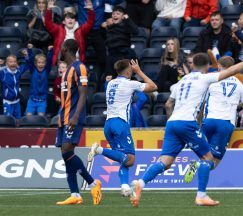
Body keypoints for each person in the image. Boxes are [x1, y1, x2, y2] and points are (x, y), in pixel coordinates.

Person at [128, 50, 243, 207]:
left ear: (193, 65)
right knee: (208, 159)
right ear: (208, 66)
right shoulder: (205, 78)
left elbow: (168, 104)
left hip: (172, 123)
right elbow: (231, 71)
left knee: (165, 161)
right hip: (188, 123)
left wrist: (174, 120)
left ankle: (141, 183)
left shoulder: (181, 81)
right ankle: (201, 196)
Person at [184, 56, 243, 183]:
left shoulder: (211, 80)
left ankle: (197, 169)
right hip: (225, 124)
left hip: (209, 121)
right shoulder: (239, 85)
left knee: (205, 156)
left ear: (219, 66)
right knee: (214, 162)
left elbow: (201, 104)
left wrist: (198, 121)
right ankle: (196, 166)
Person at [88, 59, 157, 196]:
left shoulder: (110, 83)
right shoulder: (130, 83)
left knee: (123, 159)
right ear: (127, 70)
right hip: (120, 123)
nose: (132, 70)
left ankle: (125, 186)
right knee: (130, 159)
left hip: (108, 124)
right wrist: (139, 71)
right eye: (131, 69)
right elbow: (153, 86)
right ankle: (99, 150)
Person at [55, 39, 102, 205]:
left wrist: (75, 117)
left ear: (66, 49)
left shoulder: (79, 67)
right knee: (65, 155)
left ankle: (93, 183)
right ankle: (75, 194)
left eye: (61, 48)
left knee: (67, 151)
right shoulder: (67, 70)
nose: (59, 50)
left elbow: (83, 94)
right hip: (64, 117)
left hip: (73, 117)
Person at [45, 0, 95, 65]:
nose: (70, 19)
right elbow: (48, 24)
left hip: (76, 61)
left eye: (72, 18)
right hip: (62, 61)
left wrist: (91, 10)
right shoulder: (59, 29)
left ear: (75, 21)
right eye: (68, 18)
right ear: (63, 22)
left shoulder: (80, 30)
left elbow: (90, 23)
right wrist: (49, 9)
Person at [102, 6, 139, 76]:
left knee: (124, 77)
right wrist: (102, 27)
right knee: (109, 77)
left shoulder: (126, 25)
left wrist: (128, 19)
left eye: (118, 14)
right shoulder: (109, 26)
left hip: (123, 55)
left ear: (123, 16)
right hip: (111, 55)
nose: (115, 15)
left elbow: (136, 31)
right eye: (113, 14)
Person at [24, 44, 53, 116]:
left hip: (42, 101)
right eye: (39, 63)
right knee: (28, 117)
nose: (41, 64)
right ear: (36, 63)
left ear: (45, 63)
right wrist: (30, 50)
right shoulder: (33, 70)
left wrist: (50, 51)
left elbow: (49, 61)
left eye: (43, 63)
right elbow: (30, 61)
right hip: (32, 100)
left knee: (41, 117)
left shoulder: (46, 71)